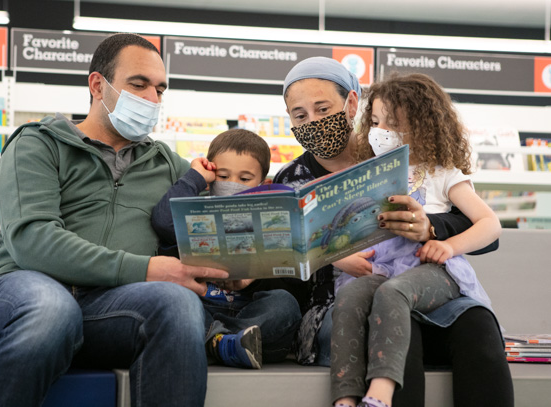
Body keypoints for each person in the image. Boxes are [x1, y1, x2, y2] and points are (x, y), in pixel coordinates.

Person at [0, 33, 232, 407]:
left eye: (160, 89)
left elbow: (216, 228)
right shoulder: (37, 144)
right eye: (138, 85)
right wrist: (147, 269)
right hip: (19, 299)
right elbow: (33, 241)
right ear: (97, 85)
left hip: (109, 312)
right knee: (53, 308)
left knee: (177, 304)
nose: (152, 99)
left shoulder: (169, 166)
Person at [265, 56, 512, 406]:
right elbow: (288, 258)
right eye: (300, 115)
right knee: (392, 319)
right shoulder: (292, 179)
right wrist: (327, 255)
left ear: (352, 104)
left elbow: (481, 226)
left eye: (323, 108)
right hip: (357, 293)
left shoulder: (401, 166)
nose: (314, 122)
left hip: (418, 278)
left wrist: (431, 229)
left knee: (476, 325)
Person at [330, 73, 502, 407]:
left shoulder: (442, 171)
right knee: (350, 299)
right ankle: (345, 398)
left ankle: (380, 395)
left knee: (394, 292)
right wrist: (340, 256)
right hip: (379, 267)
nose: (380, 132)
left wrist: (449, 245)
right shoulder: (367, 173)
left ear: (424, 127)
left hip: (431, 267)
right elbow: (342, 231)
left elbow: (490, 224)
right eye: (376, 122)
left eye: (393, 125)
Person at [151, 128, 301, 369]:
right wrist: (194, 177)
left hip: (250, 314)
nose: (232, 184)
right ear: (211, 173)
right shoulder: (196, 211)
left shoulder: (271, 220)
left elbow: (290, 282)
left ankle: (218, 342)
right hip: (202, 306)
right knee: (180, 306)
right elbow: (163, 221)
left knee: (284, 304)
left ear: (263, 183)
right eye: (222, 175)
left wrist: (254, 277)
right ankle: (223, 342)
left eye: (244, 179)